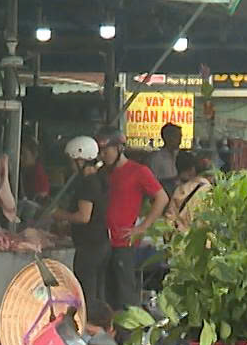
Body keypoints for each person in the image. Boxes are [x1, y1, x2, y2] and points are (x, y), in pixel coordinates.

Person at [97, 130, 167, 309]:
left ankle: (127, 334)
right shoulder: (101, 173)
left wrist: (142, 227)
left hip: (124, 242)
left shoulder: (139, 171)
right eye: (100, 151)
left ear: (119, 148)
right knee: (104, 295)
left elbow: (161, 198)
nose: (103, 155)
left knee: (125, 296)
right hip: (102, 242)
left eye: (107, 150)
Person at [54, 136, 112, 307]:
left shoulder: (88, 183)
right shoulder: (101, 179)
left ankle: (89, 328)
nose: (71, 166)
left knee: (86, 296)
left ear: (81, 160)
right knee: (98, 294)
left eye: (72, 161)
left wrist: (59, 215)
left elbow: (83, 216)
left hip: (89, 248)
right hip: (102, 243)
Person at [167, 151, 213, 230]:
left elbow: (170, 218)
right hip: (202, 239)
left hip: (181, 239)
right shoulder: (211, 191)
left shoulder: (180, 190)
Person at [147, 123, 183, 191]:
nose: (179, 140)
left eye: (180, 137)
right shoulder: (156, 158)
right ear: (167, 137)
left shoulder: (182, 156)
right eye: (176, 136)